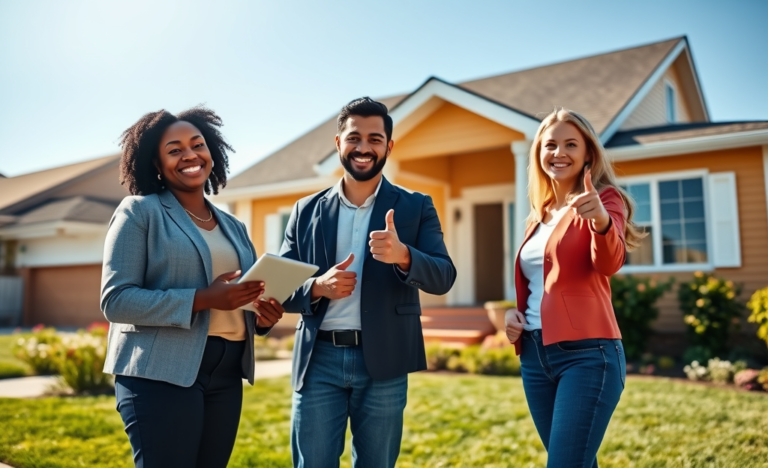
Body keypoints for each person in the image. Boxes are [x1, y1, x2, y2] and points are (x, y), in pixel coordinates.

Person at [100, 106, 285, 468]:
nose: (190, 155)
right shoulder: (139, 212)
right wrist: (204, 298)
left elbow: (238, 297)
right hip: (160, 372)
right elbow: (116, 300)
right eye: (174, 149)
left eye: (197, 144)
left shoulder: (234, 226)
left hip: (226, 372)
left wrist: (261, 317)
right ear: (156, 163)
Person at [280, 97, 456, 468]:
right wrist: (317, 287)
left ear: (389, 146)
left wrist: (404, 255)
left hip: (385, 359)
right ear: (338, 143)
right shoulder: (305, 210)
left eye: (375, 139)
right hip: (318, 361)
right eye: (354, 137)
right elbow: (281, 289)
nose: (363, 148)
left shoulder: (416, 206)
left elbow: (444, 276)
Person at [505, 108, 646, 467]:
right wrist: (516, 316)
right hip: (535, 358)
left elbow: (609, 262)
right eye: (550, 145)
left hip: (588, 355)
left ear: (588, 154)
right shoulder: (539, 215)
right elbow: (538, 282)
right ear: (538, 153)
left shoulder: (606, 199)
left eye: (571, 144)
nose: (559, 152)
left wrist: (599, 220)